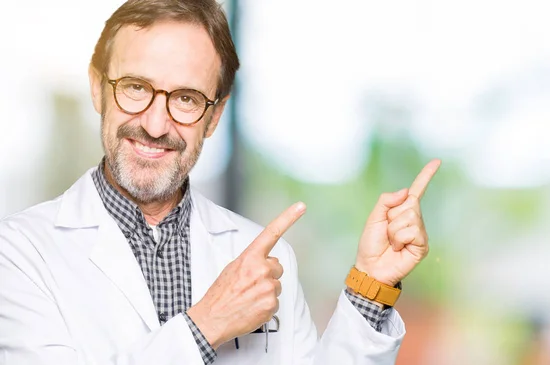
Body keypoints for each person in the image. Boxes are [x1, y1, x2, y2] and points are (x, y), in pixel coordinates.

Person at [0, 1, 441, 364]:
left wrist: (370, 285)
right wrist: (207, 325)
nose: (155, 124)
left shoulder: (267, 259)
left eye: (187, 99)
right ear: (97, 87)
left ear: (213, 117)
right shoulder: (19, 253)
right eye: (135, 88)